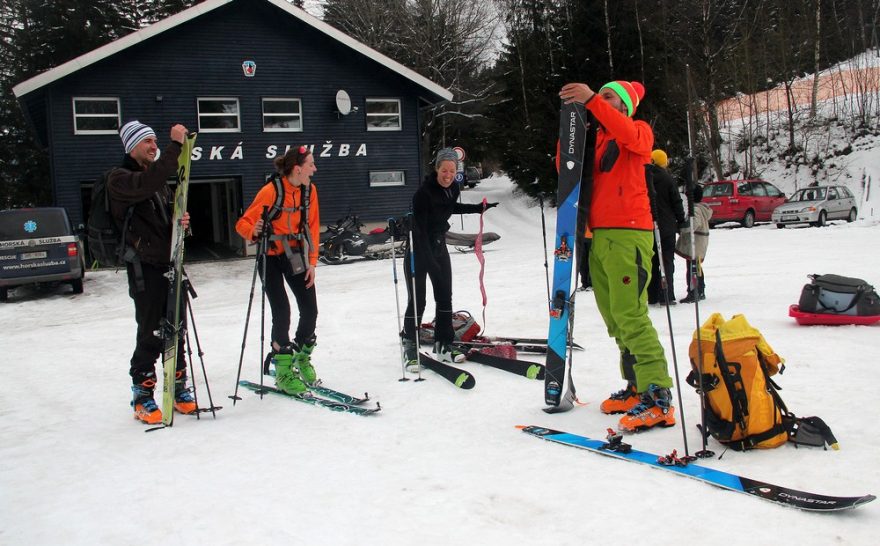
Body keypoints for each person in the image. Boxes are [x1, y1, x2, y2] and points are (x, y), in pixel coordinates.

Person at [559, 80, 676, 432]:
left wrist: (593, 101)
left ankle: (658, 395)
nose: (602, 101)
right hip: (600, 235)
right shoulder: (599, 140)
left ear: (625, 105)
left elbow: (631, 135)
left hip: (629, 232)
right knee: (615, 318)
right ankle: (636, 386)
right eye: (602, 95)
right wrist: (571, 124)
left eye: (610, 97)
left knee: (631, 314)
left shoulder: (637, 131)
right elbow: (566, 169)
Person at [108, 120, 196, 424]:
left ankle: (179, 385)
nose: (153, 146)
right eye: (147, 141)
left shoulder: (154, 182)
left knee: (177, 327)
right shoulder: (120, 180)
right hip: (144, 269)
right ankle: (142, 394)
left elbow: (166, 216)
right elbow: (150, 183)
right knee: (151, 332)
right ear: (131, 146)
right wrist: (175, 147)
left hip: (169, 264)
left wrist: (180, 221)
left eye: (155, 140)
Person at [400, 148, 498, 365]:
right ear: (436, 169)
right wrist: (431, 264)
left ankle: (443, 344)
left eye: (452, 171)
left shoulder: (453, 187)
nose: (448, 175)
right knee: (418, 301)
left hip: (438, 244)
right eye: (444, 170)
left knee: (445, 297)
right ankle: (409, 345)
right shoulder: (423, 194)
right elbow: (420, 232)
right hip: (418, 248)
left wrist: (478, 209)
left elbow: (450, 207)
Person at [235, 146, 320, 395]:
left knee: (310, 309)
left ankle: (302, 357)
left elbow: (313, 227)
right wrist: (254, 230)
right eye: (311, 165)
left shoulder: (309, 191)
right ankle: (283, 369)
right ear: (298, 169)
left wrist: (312, 262)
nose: (314, 169)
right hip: (269, 257)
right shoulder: (270, 191)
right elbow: (242, 223)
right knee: (281, 310)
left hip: (295, 255)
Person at [646, 149, 686, 305]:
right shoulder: (667, 179)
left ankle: (652, 295)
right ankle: (667, 295)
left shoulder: (644, 177)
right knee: (667, 261)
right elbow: (676, 201)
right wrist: (681, 221)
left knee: (652, 261)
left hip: (648, 226)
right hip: (667, 227)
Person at [676, 184, 711, 302]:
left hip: (695, 243)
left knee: (693, 268)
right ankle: (700, 290)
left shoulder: (695, 210)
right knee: (696, 267)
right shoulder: (702, 208)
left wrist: (680, 227)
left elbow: (693, 225)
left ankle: (694, 291)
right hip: (699, 242)